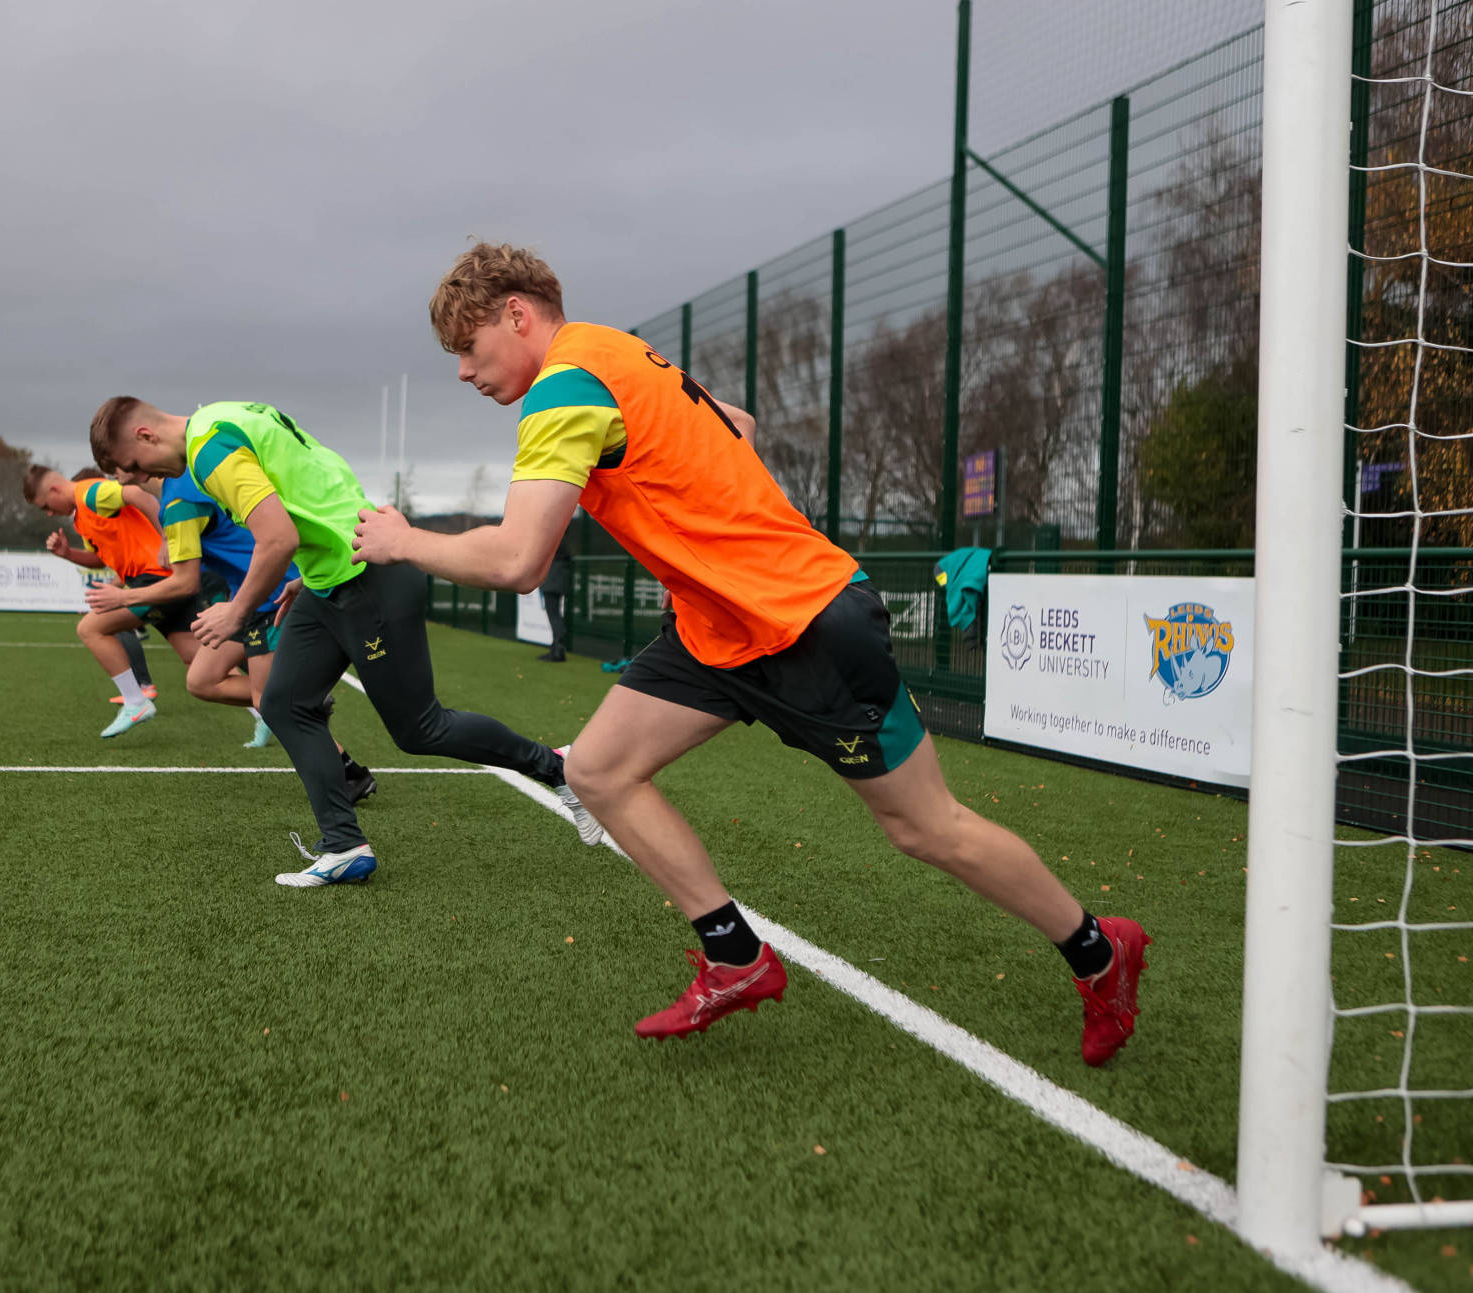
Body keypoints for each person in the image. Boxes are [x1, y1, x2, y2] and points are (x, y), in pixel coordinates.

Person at [348, 242, 1148, 1061]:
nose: (463, 371)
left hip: (807, 624)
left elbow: (518, 560)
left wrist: (403, 540)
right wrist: (698, 535)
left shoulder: (564, 388)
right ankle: (735, 956)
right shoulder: (616, 350)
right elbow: (736, 424)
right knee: (598, 769)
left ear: (516, 314)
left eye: (467, 346)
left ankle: (1098, 949)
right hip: (716, 629)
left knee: (925, 827)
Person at [88, 397, 602, 887]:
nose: (137, 477)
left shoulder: (208, 445)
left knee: (420, 729)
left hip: (364, 576)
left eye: (132, 465)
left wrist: (237, 610)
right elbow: (322, 476)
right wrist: (309, 571)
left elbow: (278, 538)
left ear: (145, 435)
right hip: (330, 578)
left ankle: (558, 769)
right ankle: (344, 847)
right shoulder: (229, 415)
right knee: (283, 705)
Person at [87, 466, 377, 803]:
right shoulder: (176, 495)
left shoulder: (180, 499)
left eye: (114, 460)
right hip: (245, 598)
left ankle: (349, 773)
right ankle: (298, 699)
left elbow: (185, 583)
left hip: (270, 596)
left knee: (269, 702)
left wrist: (124, 597)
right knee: (202, 680)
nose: (111, 471)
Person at [26, 464, 201, 739]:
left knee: (90, 628)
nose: (48, 513)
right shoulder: (81, 516)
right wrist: (68, 553)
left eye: (45, 506)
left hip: (154, 578)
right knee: (201, 660)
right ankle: (260, 709)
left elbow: (138, 495)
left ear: (54, 490)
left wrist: (167, 536)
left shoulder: (91, 493)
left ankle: (136, 701)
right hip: (157, 580)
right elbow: (101, 559)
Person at [537, 533, 572, 662]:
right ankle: (556, 648)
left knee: (554, 615)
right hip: (558, 581)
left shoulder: (553, 540)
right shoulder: (562, 543)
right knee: (555, 615)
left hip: (552, 582)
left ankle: (558, 650)